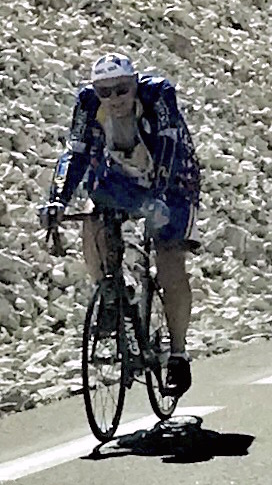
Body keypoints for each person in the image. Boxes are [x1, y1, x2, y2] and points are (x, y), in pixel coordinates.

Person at [38, 53, 200, 397]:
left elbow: (170, 143)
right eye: (105, 92)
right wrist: (57, 199)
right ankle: (111, 294)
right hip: (121, 180)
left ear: (135, 84)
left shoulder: (158, 94)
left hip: (173, 181)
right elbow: (76, 152)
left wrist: (158, 197)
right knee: (92, 216)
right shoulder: (87, 103)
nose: (114, 99)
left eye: (122, 89)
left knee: (170, 262)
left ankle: (178, 354)